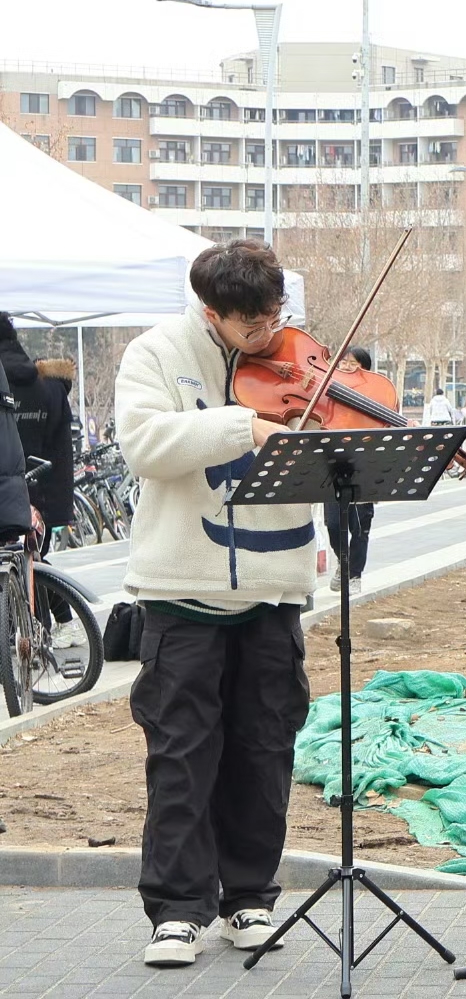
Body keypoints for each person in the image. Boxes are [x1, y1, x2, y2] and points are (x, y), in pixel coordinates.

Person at [113, 239, 317, 968]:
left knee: (265, 753)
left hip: (273, 588)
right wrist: (242, 424)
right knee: (181, 756)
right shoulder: (155, 353)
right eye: (250, 325)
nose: (267, 335)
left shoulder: (298, 360)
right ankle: (177, 912)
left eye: (274, 317)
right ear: (212, 312)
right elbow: (144, 444)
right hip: (181, 591)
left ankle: (250, 899)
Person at [0, 312, 73, 547]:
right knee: (33, 563)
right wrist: (57, 510)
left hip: (5, 506)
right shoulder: (51, 388)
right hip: (40, 505)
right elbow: (61, 452)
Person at [323, 347, 377, 581]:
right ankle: (344, 563)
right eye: (342, 362)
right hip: (332, 464)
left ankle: (354, 575)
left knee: (360, 526)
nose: (345, 367)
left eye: (352, 363)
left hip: (362, 464)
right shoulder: (328, 390)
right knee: (334, 525)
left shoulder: (373, 394)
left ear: (365, 369)